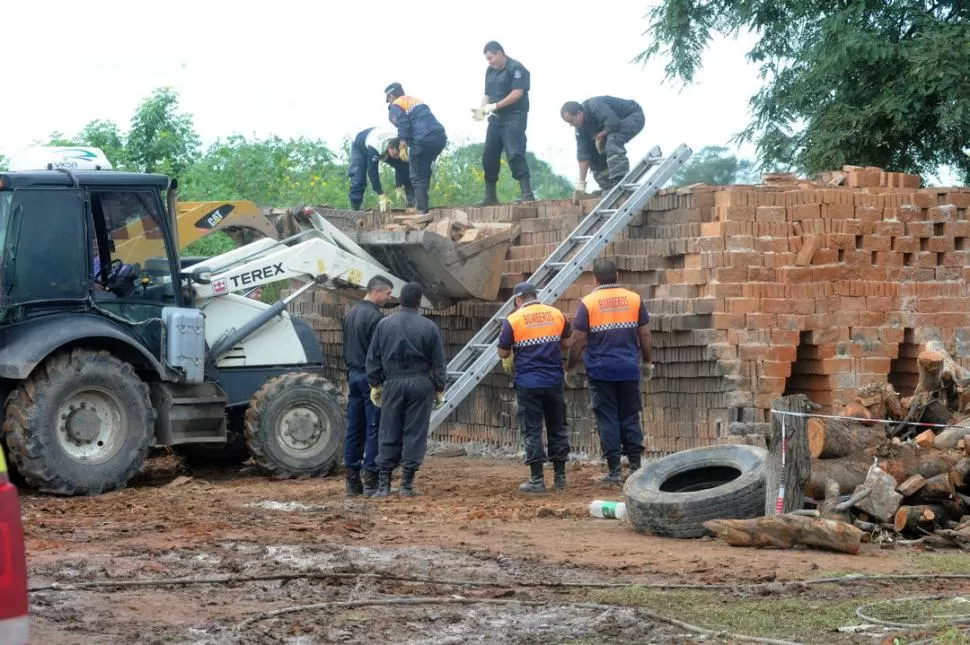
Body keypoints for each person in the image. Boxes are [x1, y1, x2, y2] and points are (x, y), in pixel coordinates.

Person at [566, 258, 653, 483]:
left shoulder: (588, 302)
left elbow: (577, 339)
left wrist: (570, 365)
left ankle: (614, 470)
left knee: (607, 418)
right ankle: (635, 466)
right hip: (628, 368)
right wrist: (647, 361)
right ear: (617, 276)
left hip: (601, 370)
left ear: (595, 279)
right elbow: (644, 334)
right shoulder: (634, 299)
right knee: (630, 415)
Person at [366, 281, 447, 497]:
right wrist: (439, 387)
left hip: (393, 383)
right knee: (415, 432)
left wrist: (375, 384)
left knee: (388, 429)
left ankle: (384, 485)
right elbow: (438, 361)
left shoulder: (384, 324)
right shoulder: (429, 327)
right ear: (420, 302)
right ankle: (407, 485)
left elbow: (373, 358)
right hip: (421, 384)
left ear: (400, 299)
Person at [497, 282, 572, 493]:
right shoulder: (556, 314)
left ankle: (537, 479)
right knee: (557, 427)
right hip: (553, 381)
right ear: (535, 296)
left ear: (517, 300)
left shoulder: (513, 320)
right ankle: (560, 477)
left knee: (532, 430)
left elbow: (503, 352)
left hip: (528, 383)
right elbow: (566, 343)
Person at [343, 275, 393, 497]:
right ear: (377, 292)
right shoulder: (375, 318)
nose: (389, 298)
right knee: (374, 427)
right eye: (388, 293)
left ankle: (352, 480)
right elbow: (378, 353)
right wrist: (379, 381)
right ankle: (371, 479)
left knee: (354, 428)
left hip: (353, 375)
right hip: (369, 378)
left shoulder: (351, 314)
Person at [472, 41, 534, 205]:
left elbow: (517, 93)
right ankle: (490, 196)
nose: (489, 62)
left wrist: (496, 105)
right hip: (496, 118)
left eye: (491, 58)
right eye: (487, 59)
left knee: (514, 153)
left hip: (514, 116)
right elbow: (487, 93)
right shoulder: (490, 71)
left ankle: (527, 193)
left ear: (500, 53)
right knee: (489, 156)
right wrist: (482, 108)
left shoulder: (516, 68)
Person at [384, 82, 448, 214]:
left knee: (417, 175)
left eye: (388, 99)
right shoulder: (416, 101)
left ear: (391, 96)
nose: (389, 103)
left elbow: (402, 122)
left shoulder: (395, 105)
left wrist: (402, 144)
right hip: (440, 137)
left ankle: (421, 212)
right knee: (424, 168)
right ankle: (424, 205)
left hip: (422, 139)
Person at [560, 97, 645, 193]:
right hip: (611, 127)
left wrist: (600, 135)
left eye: (571, 121)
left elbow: (614, 123)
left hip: (633, 116)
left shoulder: (595, 105)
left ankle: (620, 179)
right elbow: (583, 155)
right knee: (593, 154)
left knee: (612, 141)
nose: (571, 125)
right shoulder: (580, 129)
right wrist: (581, 182)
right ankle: (608, 186)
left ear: (579, 113)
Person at [347, 127, 415, 212]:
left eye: (398, 154)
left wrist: (399, 185)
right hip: (360, 145)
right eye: (395, 154)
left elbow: (401, 167)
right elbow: (372, 172)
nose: (397, 157)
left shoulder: (402, 146)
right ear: (389, 148)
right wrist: (380, 194)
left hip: (382, 137)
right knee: (359, 177)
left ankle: (412, 203)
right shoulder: (375, 147)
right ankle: (355, 208)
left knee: (405, 167)